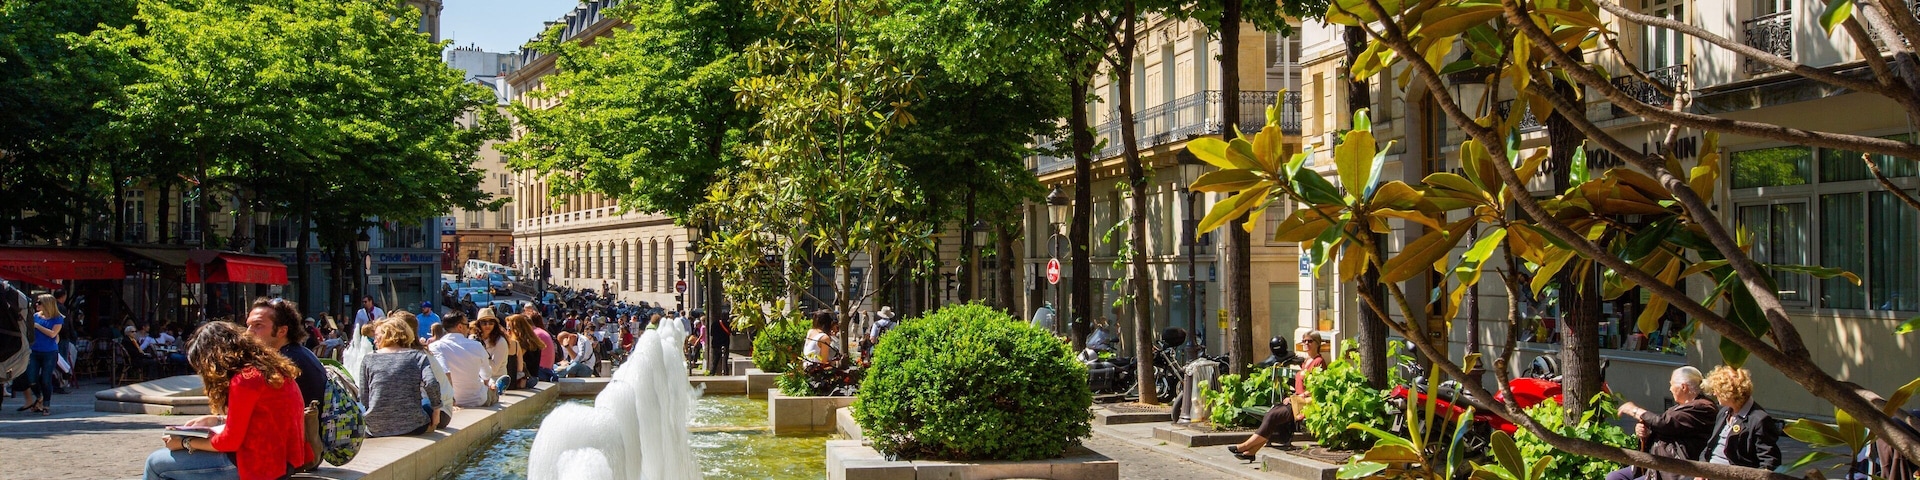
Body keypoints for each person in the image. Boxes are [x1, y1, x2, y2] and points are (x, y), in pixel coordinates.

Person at [143, 322, 313, 480]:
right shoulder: (272, 370)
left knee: (155, 462)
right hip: (283, 460)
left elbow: (230, 441)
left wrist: (184, 442)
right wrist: (218, 420)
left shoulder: (245, 380)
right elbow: (264, 417)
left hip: (258, 464)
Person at [1227, 332, 1328, 460]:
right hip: (1296, 400)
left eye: (1310, 341)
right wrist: (1292, 396)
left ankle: (1245, 446)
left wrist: (1297, 396)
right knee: (1271, 413)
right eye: (1304, 341)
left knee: (1273, 416)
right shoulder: (1306, 361)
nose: (1306, 344)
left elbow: (1317, 389)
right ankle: (1251, 451)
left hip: (1305, 404)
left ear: (1317, 343)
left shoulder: (1319, 362)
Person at [1610, 366, 1717, 480]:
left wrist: (1634, 410)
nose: (1670, 389)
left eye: (1671, 384)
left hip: (1677, 469)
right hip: (1658, 464)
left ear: (1683, 387)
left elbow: (1664, 423)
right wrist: (1646, 432)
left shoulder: (1702, 407)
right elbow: (1668, 428)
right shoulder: (1680, 407)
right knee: (1615, 477)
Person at [358, 320, 442, 437]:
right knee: (426, 403)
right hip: (414, 425)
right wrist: (437, 412)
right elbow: (431, 383)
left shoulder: (368, 359)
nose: (375, 340)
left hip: (376, 427)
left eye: (377, 336)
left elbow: (364, 395)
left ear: (387, 335)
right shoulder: (417, 356)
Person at [242, 298, 327, 405]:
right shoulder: (299, 352)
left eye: (258, 325)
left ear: (282, 331)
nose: (248, 332)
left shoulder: (286, 362)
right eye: (248, 325)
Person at [1697, 366, 1782, 471]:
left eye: (1716, 390)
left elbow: (1769, 461)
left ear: (1729, 393)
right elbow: (1709, 447)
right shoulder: (1724, 412)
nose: (1714, 394)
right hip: (1708, 472)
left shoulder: (1759, 420)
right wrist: (1700, 470)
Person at [427, 312, 497, 408]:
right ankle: (497, 388)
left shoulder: (434, 347)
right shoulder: (476, 345)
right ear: (460, 327)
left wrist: (451, 399)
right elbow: (486, 375)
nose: (468, 328)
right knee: (494, 392)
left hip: (451, 400)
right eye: (467, 325)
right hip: (478, 399)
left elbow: (445, 372)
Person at [19, 294, 62, 415]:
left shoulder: (57, 318)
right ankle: (39, 397)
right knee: (31, 377)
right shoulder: (34, 316)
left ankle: (46, 405)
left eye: (39, 302)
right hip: (34, 351)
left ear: (47, 304)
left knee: (46, 379)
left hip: (49, 352)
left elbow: (53, 334)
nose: (36, 304)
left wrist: (37, 326)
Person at [473, 309, 514, 388]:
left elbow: (494, 369)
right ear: (478, 324)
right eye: (484, 322)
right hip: (477, 377)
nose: (488, 325)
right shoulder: (473, 339)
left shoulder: (500, 341)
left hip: (496, 379)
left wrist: (481, 351)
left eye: (491, 322)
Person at [504, 313, 544, 389]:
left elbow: (516, 364)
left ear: (516, 329)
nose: (507, 332)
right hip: (534, 378)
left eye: (509, 329)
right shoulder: (532, 340)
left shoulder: (519, 343)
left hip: (526, 378)